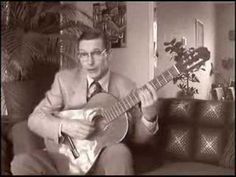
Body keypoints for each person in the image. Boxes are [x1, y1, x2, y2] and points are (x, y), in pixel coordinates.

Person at [10, 30, 159, 175]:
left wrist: (149, 116)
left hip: (103, 159)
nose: (89, 61)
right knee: (21, 163)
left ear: (108, 55)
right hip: (64, 157)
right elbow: (35, 119)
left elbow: (138, 139)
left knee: (120, 152)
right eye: (83, 54)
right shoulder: (64, 81)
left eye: (95, 53)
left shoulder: (126, 87)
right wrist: (65, 126)